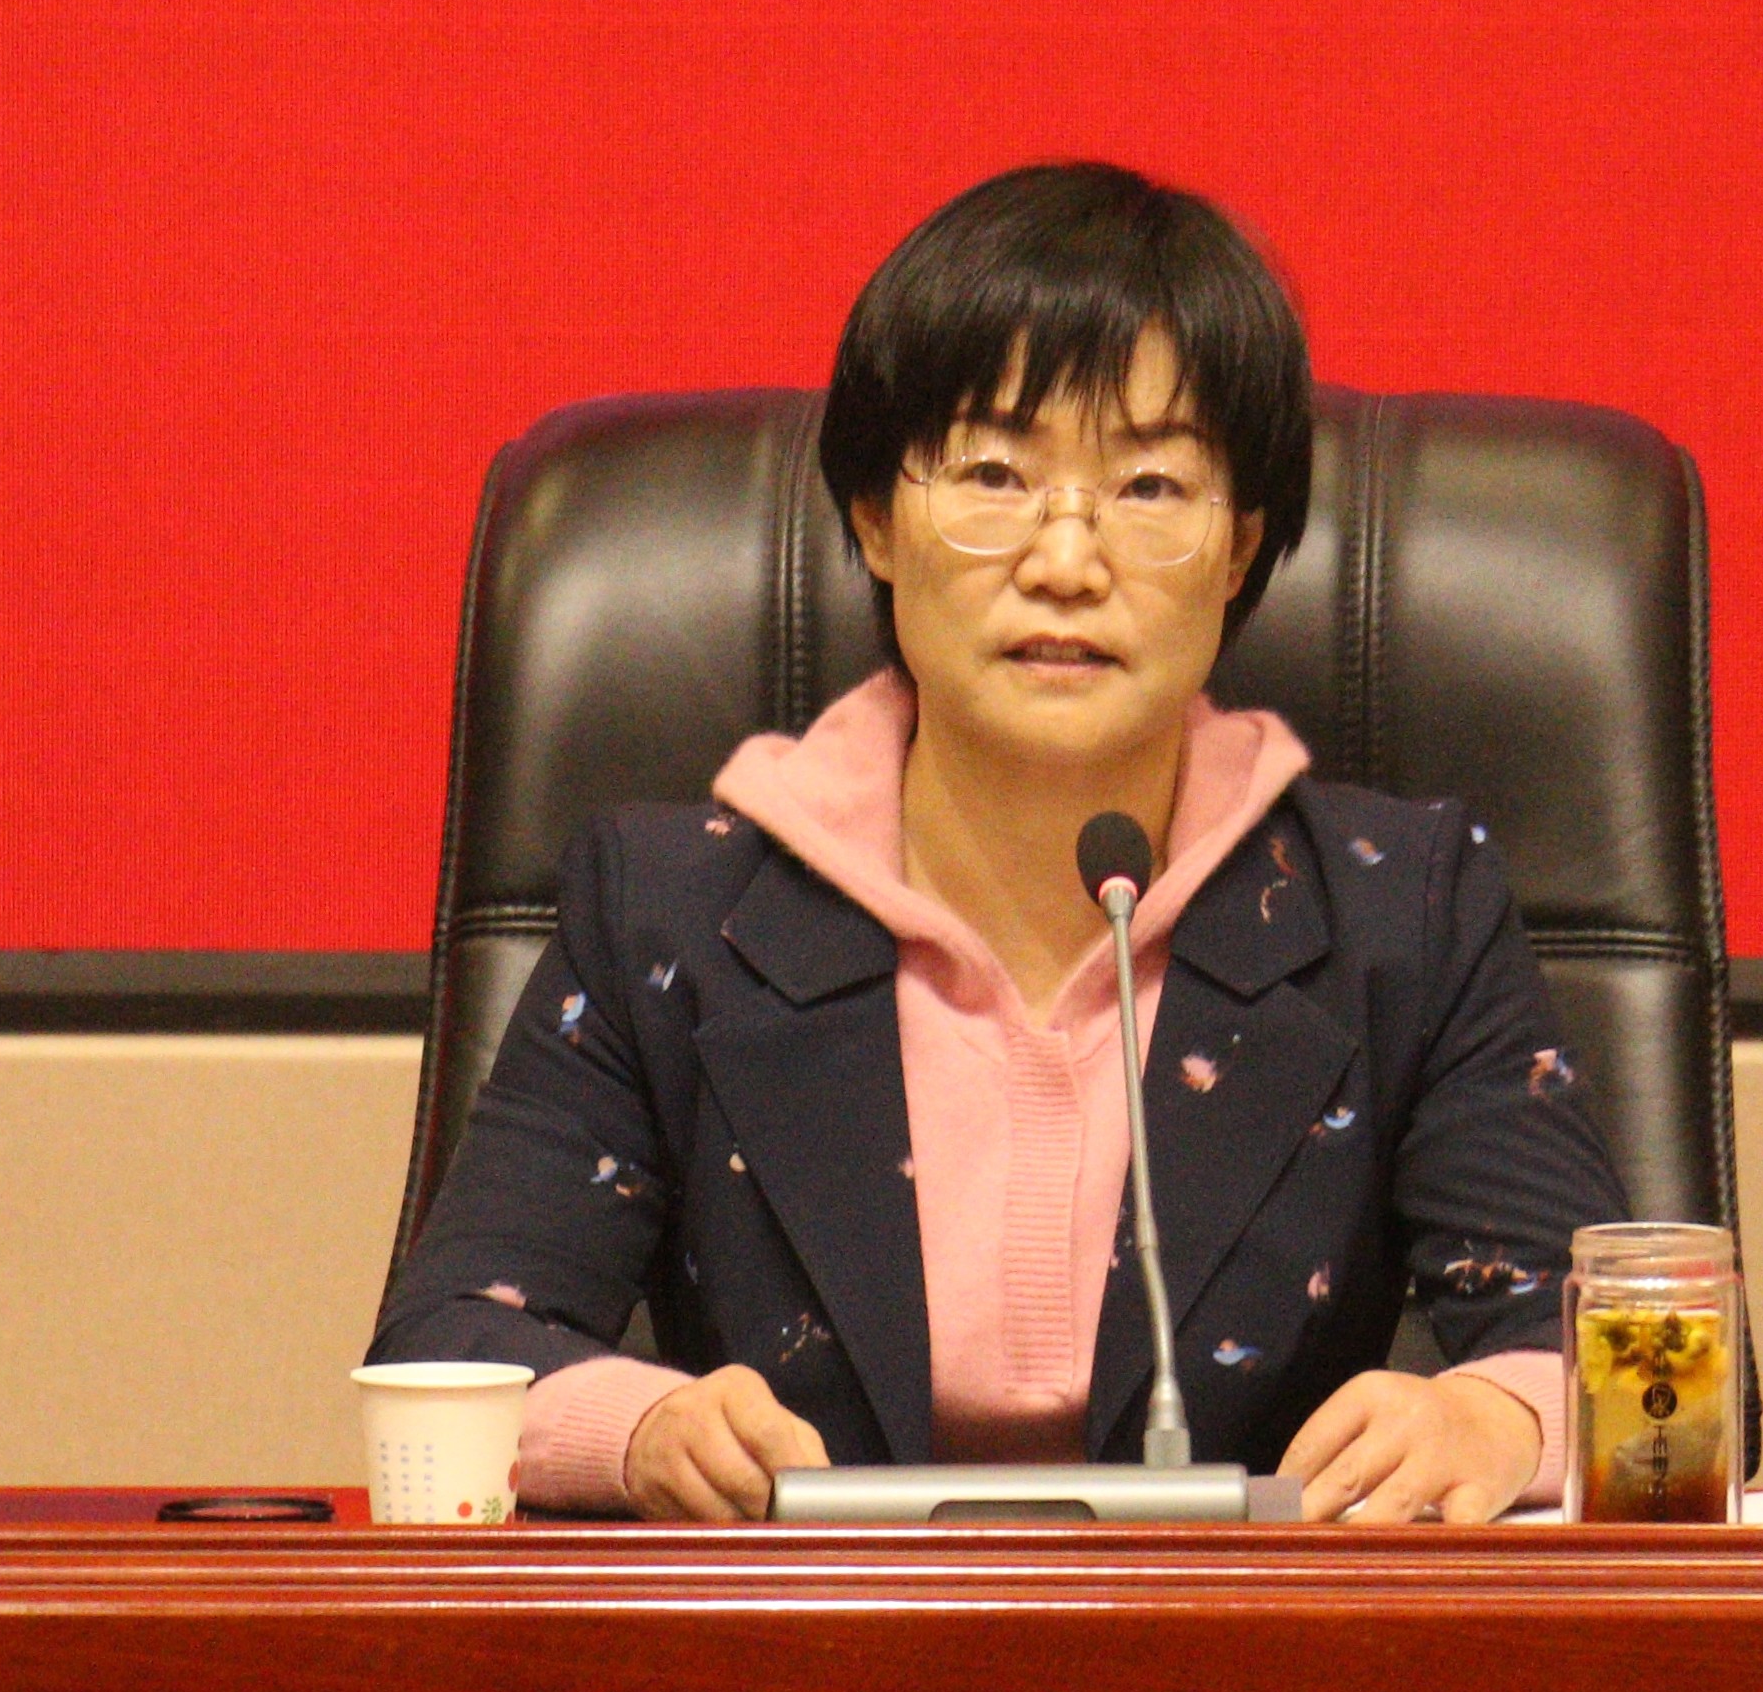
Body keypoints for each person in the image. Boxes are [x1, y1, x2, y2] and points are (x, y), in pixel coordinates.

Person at [368, 162, 1629, 1521]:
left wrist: (1492, 1418)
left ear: (1238, 548)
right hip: (813, 1628)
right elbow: (452, 1344)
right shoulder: (668, 912)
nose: (1065, 561)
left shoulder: (1401, 911)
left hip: (1243, 1630)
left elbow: (1648, 1358)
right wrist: (645, 1429)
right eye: (992, 473)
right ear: (874, 521)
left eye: (1150, 486)